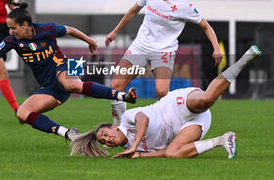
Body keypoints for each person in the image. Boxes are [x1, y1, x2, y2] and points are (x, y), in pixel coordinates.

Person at [0, 7, 137, 141]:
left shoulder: (47, 29)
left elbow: (71, 30)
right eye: (8, 28)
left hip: (64, 66)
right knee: (22, 113)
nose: (10, 32)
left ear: (25, 25)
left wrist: (89, 41)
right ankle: (68, 134)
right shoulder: (12, 41)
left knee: (71, 84)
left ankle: (123, 96)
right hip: (48, 86)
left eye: (13, 28)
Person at [70, 45, 261, 158]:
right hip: (190, 124)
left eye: (105, 134)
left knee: (207, 99)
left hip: (175, 106)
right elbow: (164, 151)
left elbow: (143, 119)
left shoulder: (126, 120)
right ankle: (222, 140)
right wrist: (140, 155)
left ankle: (245, 59)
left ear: (112, 126)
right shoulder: (129, 149)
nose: (108, 140)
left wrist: (136, 146)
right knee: (173, 154)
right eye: (104, 141)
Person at [105, 0, 223, 126]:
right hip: (140, 46)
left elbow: (206, 26)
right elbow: (133, 11)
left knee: (162, 92)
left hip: (164, 51)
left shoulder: (183, 6)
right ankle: (120, 129)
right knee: (115, 85)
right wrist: (115, 31)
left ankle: (170, 128)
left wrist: (216, 47)